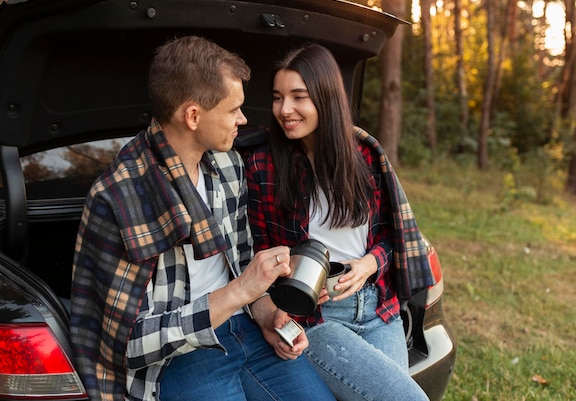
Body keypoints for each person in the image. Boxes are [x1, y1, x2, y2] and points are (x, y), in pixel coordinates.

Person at [69, 36, 336, 401]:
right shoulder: (117, 199)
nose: (243, 118)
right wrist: (239, 292)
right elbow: (128, 345)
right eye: (233, 110)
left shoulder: (227, 165)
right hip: (178, 358)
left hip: (244, 327)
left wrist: (267, 314)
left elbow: (240, 260)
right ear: (193, 116)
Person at [246, 43, 434, 401]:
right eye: (277, 97)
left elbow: (390, 236)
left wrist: (368, 264)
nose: (285, 109)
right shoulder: (263, 166)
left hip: (380, 309)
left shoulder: (364, 155)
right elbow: (256, 253)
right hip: (318, 320)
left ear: (326, 97)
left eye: (298, 97)